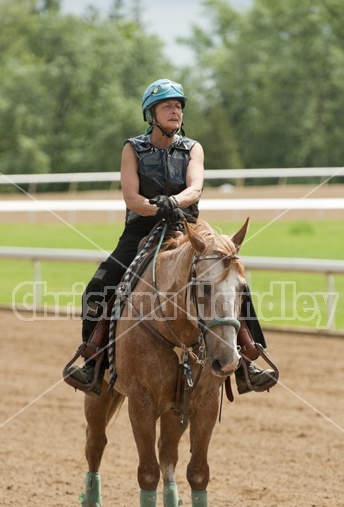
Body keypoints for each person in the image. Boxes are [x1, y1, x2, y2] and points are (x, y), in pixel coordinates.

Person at [65, 78, 275, 396]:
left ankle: (247, 360)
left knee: (231, 280)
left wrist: (174, 203)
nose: (175, 111)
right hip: (140, 229)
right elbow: (131, 198)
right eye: (168, 106)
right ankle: (93, 362)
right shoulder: (132, 148)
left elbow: (195, 188)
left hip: (187, 229)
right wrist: (154, 208)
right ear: (151, 114)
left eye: (179, 106)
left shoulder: (193, 148)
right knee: (99, 285)